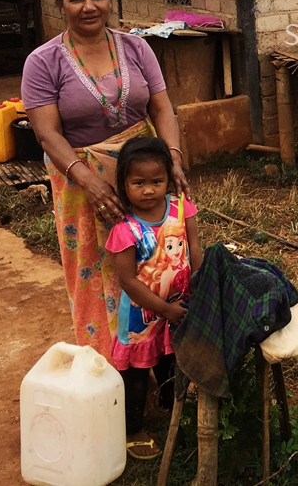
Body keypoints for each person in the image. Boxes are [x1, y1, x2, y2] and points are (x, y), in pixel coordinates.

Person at [22, 0, 189, 362]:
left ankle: (159, 350)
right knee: (95, 270)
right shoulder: (43, 62)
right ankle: (105, 362)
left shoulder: (136, 47)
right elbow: (47, 133)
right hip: (79, 177)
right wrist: (89, 181)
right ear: (61, 4)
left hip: (142, 172)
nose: (89, 6)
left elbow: (162, 109)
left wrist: (173, 161)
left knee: (156, 257)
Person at [106, 136, 200, 460]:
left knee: (171, 361)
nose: (149, 190)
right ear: (123, 184)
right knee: (134, 374)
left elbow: (195, 250)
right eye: (139, 182)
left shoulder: (180, 207)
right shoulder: (125, 228)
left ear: (168, 179)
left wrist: (200, 289)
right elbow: (129, 281)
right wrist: (163, 308)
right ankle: (133, 428)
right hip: (141, 319)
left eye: (157, 181)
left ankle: (169, 408)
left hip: (179, 307)